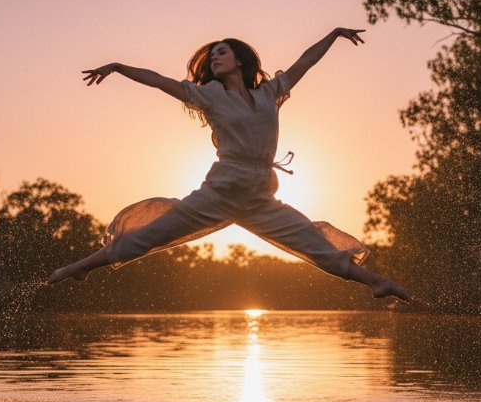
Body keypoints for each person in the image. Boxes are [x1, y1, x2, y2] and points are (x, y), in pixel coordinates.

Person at [48, 28, 411, 303]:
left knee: (314, 244)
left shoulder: (269, 93)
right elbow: (159, 82)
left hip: (259, 197)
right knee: (148, 235)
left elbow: (306, 61)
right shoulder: (208, 95)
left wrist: (332, 35)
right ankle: (80, 268)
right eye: (211, 58)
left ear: (239, 59)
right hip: (220, 192)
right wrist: (116, 67)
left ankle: (376, 281)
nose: (214, 59)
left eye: (221, 53)